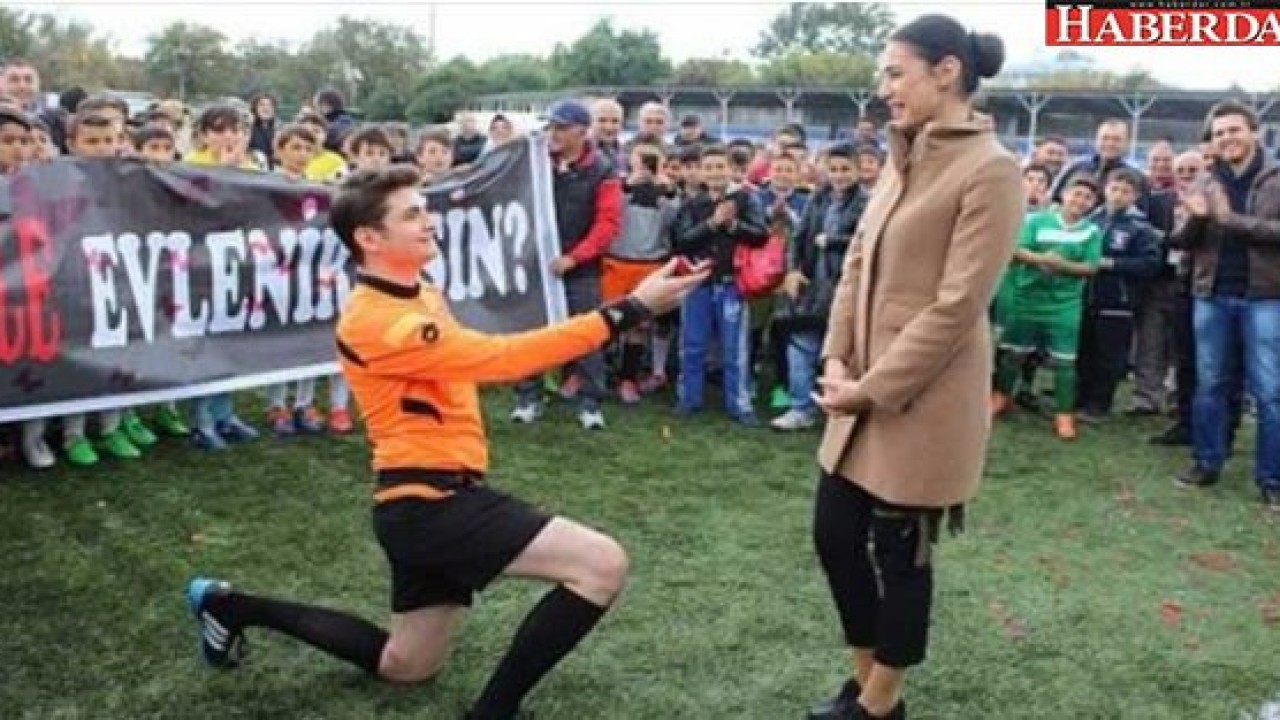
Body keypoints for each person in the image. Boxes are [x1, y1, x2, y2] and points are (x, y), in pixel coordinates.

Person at [185, 164, 708, 720]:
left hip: (419, 505)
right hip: (431, 504)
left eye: (425, 209)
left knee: (405, 666)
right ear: (369, 238)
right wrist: (631, 309)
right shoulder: (378, 321)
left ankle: (228, 606)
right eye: (412, 214)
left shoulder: (421, 293)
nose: (429, 222)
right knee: (602, 564)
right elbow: (503, 360)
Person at [806, 15, 1022, 720]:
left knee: (901, 557)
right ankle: (869, 684)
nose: (884, 88)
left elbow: (958, 306)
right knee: (835, 536)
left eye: (895, 72)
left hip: (922, 401)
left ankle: (878, 704)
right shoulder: (903, 155)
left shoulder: (991, 169)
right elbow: (856, 265)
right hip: (859, 389)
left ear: (947, 71)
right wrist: (837, 355)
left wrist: (868, 389)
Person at [992, 175, 1103, 440]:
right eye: (1076, 194)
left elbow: (1091, 267)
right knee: (1013, 353)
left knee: (1065, 361)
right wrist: (1041, 259)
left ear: (1093, 204)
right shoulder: (1036, 221)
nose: (1080, 201)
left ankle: (1064, 414)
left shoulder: (1091, 231)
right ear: (1064, 195)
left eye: (1087, 198)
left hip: (1064, 305)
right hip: (1027, 299)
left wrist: (1062, 266)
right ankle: (1000, 397)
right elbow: (1016, 250)